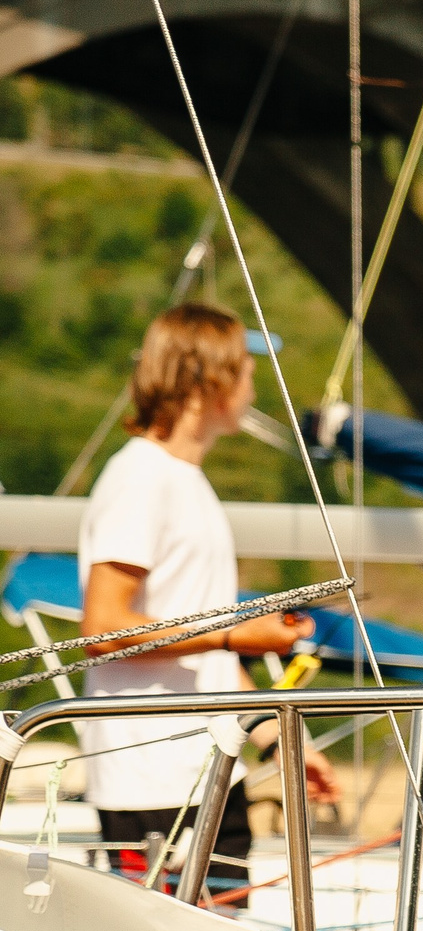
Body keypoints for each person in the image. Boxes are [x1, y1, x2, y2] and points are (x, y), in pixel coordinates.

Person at [79, 303, 334, 893]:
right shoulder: (141, 479)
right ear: (212, 380)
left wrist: (279, 743)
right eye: (246, 369)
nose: (252, 385)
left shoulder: (183, 482)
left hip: (206, 767)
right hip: (150, 781)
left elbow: (207, 660)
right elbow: (103, 628)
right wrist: (237, 633)